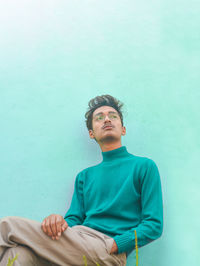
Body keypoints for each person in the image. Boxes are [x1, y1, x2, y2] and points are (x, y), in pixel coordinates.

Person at [0, 95, 163, 265]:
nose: (107, 119)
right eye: (99, 118)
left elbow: (153, 225)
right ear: (91, 133)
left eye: (113, 116)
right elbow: (73, 220)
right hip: (76, 241)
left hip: (107, 249)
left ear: (123, 129)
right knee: (18, 253)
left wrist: (116, 244)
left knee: (6, 226)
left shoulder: (144, 166)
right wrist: (58, 221)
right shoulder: (84, 177)